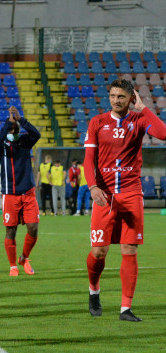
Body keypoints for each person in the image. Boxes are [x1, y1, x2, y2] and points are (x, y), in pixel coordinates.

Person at [83, 78, 166, 322]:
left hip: (131, 192)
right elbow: (89, 159)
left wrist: (144, 109)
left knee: (129, 249)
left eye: (121, 96)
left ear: (131, 98)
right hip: (104, 195)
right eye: (112, 96)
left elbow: (163, 133)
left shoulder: (139, 120)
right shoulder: (97, 122)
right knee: (99, 252)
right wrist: (93, 186)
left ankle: (125, 309)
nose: (116, 100)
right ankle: (94, 289)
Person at [0, 106, 41, 276]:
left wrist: (21, 120)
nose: (12, 131)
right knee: (11, 230)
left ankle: (24, 258)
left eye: (15, 129)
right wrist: (8, 123)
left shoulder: (25, 142)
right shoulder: (2, 146)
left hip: (28, 192)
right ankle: (13, 265)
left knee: (33, 228)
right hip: (10, 194)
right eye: (10, 129)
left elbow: (37, 134)